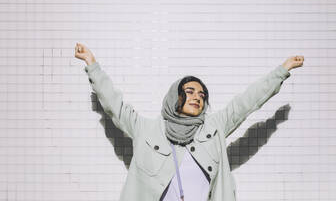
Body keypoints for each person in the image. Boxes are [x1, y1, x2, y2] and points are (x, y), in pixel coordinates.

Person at [74, 42, 304, 201]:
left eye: (202, 95)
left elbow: (246, 102)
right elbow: (115, 105)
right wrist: (92, 64)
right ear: (176, 96)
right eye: (190, 92)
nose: (197, 97)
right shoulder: (147, 129)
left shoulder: (214, 126)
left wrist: (281, 71)